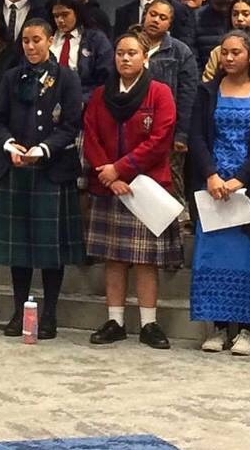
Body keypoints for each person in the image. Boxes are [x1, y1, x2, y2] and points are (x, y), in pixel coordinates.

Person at [83, 31, 181, 349]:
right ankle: (116, 321)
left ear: (145, 57)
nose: (125, 58)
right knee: (113, 258)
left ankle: (149, 324)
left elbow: (160, 139)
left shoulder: (159, 93)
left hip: (146, 186)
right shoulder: (101, 94)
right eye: (120, 53)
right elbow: (91, 136)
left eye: (132, 53)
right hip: (109, 186)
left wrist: (121, 169)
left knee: (145, 260)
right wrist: (109, 176)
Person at [189, 29, 250, 356]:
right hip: (214, 189)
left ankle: (247, 330)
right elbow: (196, 137)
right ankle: (217, 327)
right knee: (213, 256)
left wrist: (240, 178)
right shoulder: (207, 92)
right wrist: (212, 175)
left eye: (236, 53)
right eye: (224, 52)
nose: (228, 58)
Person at [0, 18, 84, 340]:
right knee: (20, 249)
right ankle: (19, 312)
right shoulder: (12, 76)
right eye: (26, 41)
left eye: (37, 40)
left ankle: (50, 315)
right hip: (16, 169)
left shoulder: (66, 77)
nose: (30, 46)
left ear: (50, 40)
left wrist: (43, 149)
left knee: (50, 249)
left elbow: (71, 125)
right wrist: (8, 144)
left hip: (52, 170)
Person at [140, 0, 199, 228]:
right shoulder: (129, 45)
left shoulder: (180, 51)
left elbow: (188, 95)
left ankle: (175, 235)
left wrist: (182, 134)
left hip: (167, 130)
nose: (156, 20)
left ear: (170, 24)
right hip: (134, 128)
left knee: (169, 183)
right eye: (153, 14)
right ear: (144, 15)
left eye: (163, 17)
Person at [50, 0, 113, 103]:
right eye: (56, 16)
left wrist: (85, 100)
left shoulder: (96, 39)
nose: (60, 20)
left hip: (85, 102)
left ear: (77, 13)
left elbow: (106, 78)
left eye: (65, 15)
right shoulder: (46, 38)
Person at [192, 0, 239, 69]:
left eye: (229, 3)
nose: (224, 8)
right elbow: (193, 59)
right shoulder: (196, 18)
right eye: (219, 3)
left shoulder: (247, 16)